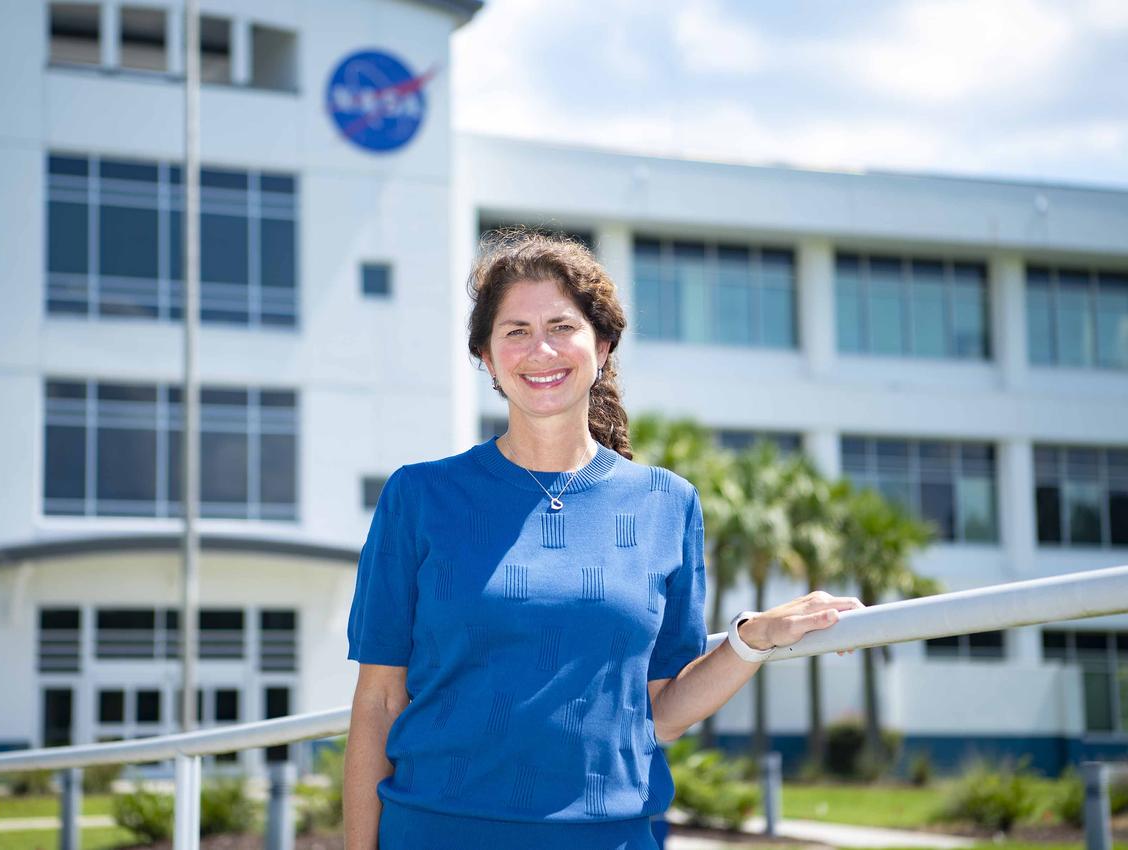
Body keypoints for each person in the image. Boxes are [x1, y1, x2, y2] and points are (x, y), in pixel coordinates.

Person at [342, 230, 861, 850]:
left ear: (603, 343)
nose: (541, 350)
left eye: (562, 326)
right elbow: (378, 701)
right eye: (515, 331)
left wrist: (752, 639)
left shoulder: (668, 503)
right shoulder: (418, 498)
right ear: (485, 355)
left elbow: (662, 708)